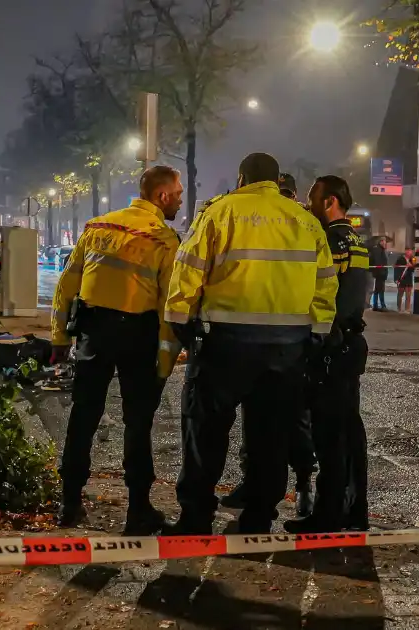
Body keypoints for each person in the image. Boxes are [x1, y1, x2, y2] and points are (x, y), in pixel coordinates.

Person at [165, 152, 338, 534]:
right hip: (287, 348)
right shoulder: (307, 222)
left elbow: (188, 270)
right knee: (270, 435)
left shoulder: (221, 212)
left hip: (225, 344)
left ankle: (196, 517)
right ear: (277, 181)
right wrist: (317, 333)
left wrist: (182, 323)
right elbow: (326, 285)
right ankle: (259, 516)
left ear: (242, 178)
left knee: (205, 432)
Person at [50, 165, 184, 535]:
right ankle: (138, 509)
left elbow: (67, 285)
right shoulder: (162, 238)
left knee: (83, 417)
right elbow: (166, 307)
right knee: (137, 423)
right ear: (161, 196)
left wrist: (60, 339)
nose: (180, 200)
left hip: (93, 331)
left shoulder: (98, 227)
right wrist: (165, 359)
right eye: (177, 194)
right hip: (137, 335)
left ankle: (69, 502)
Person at [220, 171, 319, 516]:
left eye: (291, 193)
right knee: (259, 424)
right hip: (276, 344)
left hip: (292, 346)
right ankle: (257, 488)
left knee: (293, 425)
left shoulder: (304, 228)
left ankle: (304, 485)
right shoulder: (286, 226)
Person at [286, 175, 370, 534]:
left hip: (331, 347)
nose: (308, 203)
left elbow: (318, 292)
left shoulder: (331, 240)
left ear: (330, 201)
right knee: (350, 432)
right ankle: (355, 508)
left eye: (312, 197)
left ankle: (329, 512)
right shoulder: (356, 240)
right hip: (350, 344)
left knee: (329, 434)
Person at [369, 237, 389, 311]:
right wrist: (382, 272)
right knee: (380, 290)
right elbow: (379, 262)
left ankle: (375, 305)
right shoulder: (378, 250)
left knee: (377, 289)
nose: (385, 243)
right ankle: (382, 305)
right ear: (380, 242)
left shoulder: (380, 250)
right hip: (380, 273)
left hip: (379, 273)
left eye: (385, 242)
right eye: (383, 241)